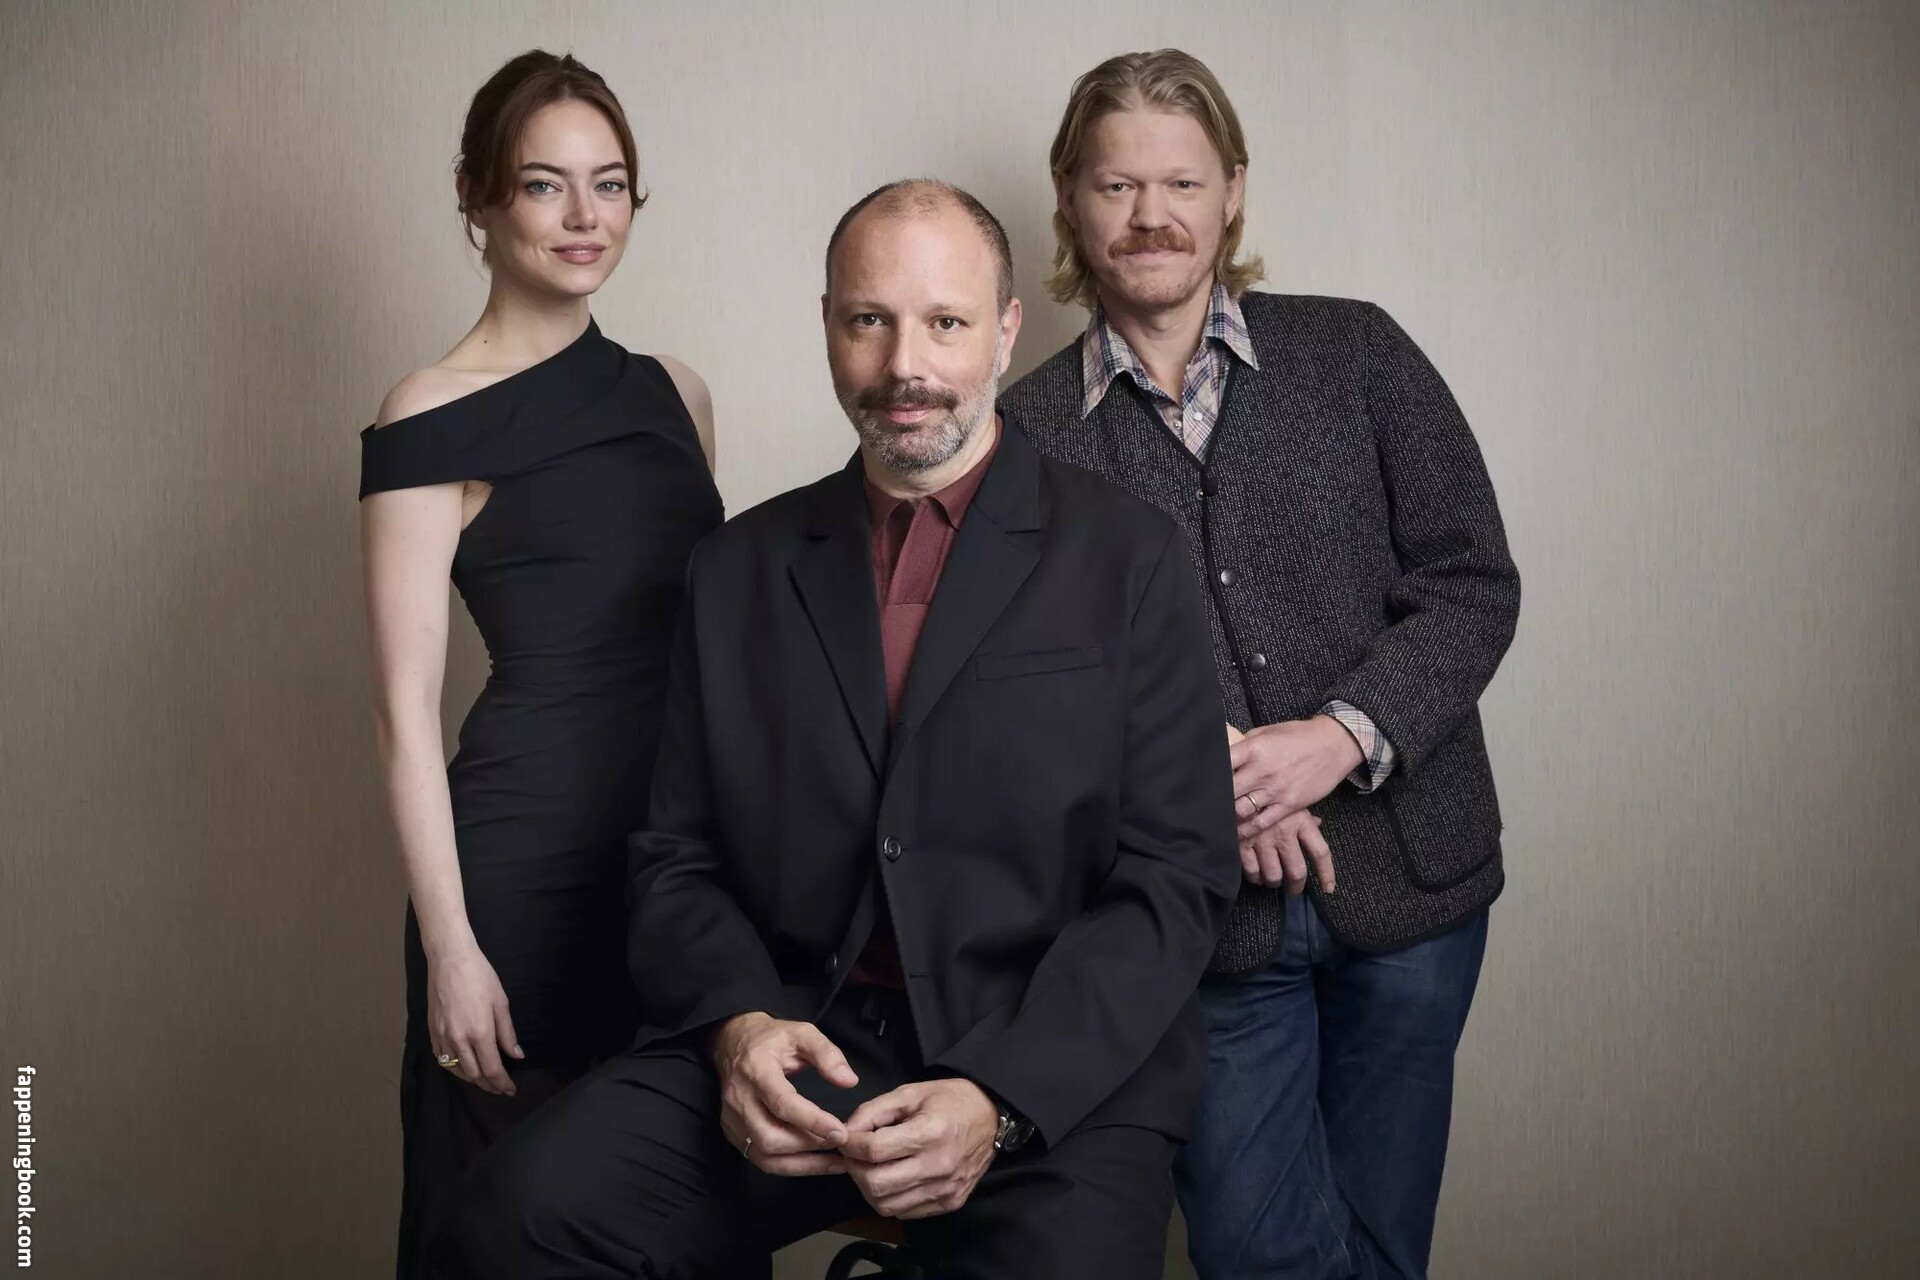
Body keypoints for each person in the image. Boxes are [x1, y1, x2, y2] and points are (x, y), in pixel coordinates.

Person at [425, 179, 1240, 1280]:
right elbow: (674, 858)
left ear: (1005, 330)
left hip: (1052, 1075)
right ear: (826, 326)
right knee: (512, 1217)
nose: (906, 364)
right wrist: (738, 1029)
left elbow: (1177, 876)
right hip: (802, 1040)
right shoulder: (735, 569)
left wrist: (998, 1097)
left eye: (945, 321)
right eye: (869, 319)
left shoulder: (1130, 556)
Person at [999, 50, 1522, 1280]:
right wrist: (1208, 783)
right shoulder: (1022, 436)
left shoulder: (1359, 352)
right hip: (1201, 928)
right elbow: (1025, 692)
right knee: (1257, 1251)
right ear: (1070, 198)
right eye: (1117, 185)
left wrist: (1336, 737)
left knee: (1383, 1247)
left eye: (1182, 182)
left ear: (1232, 191)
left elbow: (1472, 583)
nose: (1152, 215)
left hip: (1415, 893)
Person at [357, 50, 723, 1278]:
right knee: (503, 1226)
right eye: (543, 184)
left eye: (609, 184)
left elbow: (712, 650)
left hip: (674, 866)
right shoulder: (427, 412)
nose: (584, 216)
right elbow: (403, 711)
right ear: (478, 195)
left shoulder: (677, 393)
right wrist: (451, 945)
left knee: (680, 1209)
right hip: (516, 878)